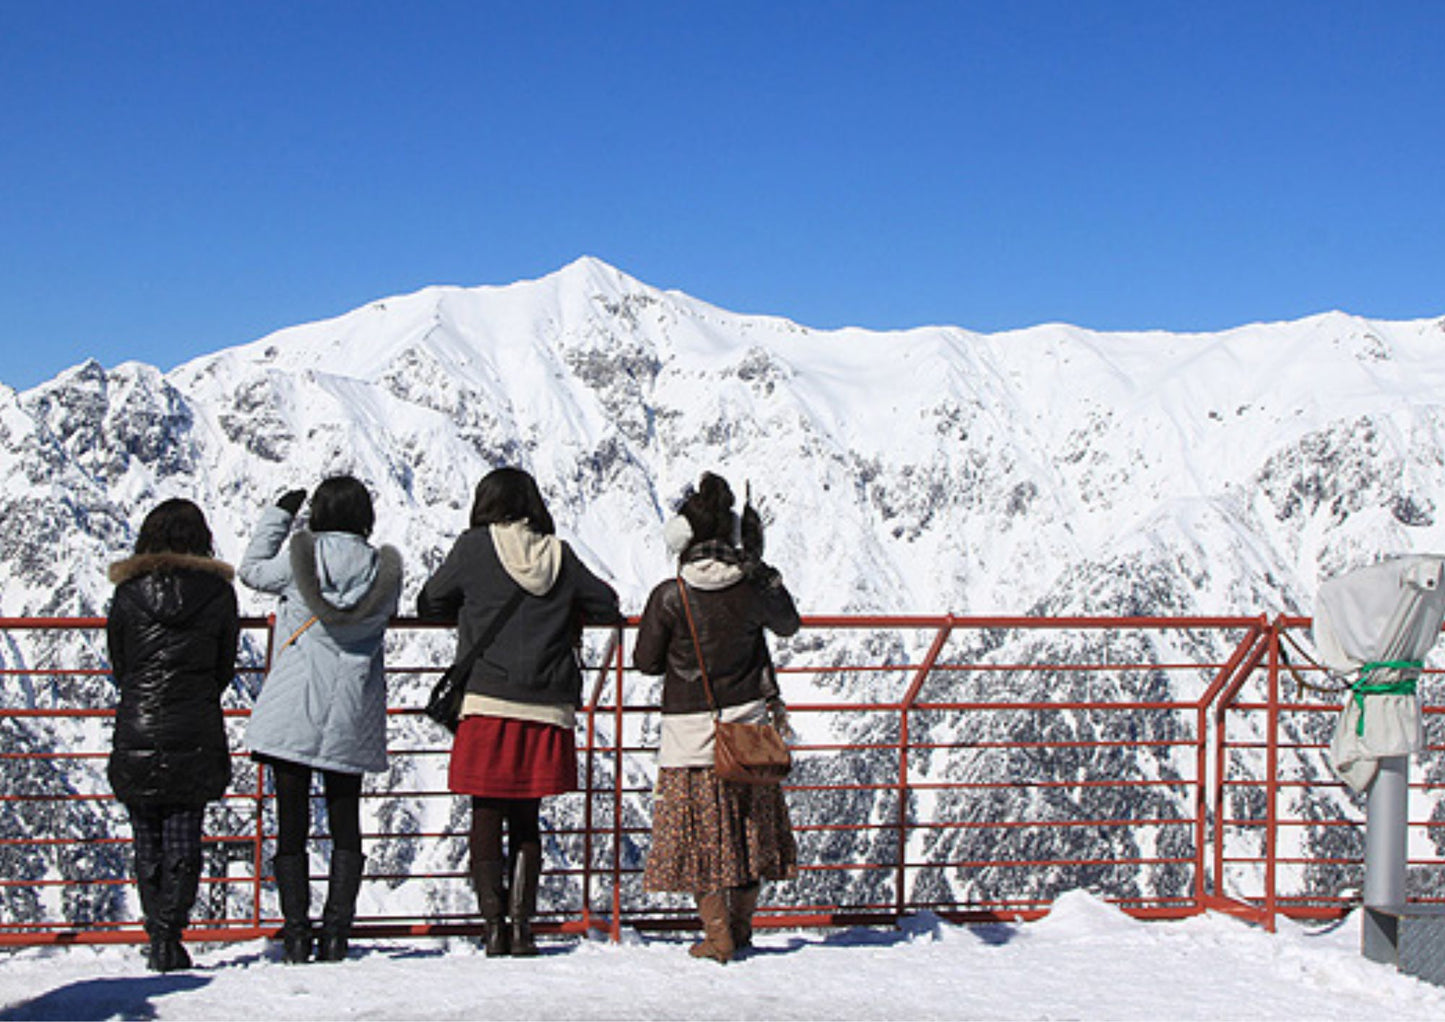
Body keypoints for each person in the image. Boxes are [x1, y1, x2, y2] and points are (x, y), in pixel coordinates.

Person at [418, 467, 622, 956]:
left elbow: (429, 602)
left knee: (485, 813)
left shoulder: (473, 549)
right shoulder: (560, 555)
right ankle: (523, 928)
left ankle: (493, 928)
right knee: (529, 819)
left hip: (487, 702)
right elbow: (607, 602)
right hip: (546, 707)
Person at [634, 472, 800, 963]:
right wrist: (764, 569)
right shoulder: (750, 587)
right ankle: (743, 928)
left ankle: (717, 934)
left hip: (688, 736)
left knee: (701, 836)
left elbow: (645, 661)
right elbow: (788, 624)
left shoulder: (671, 595)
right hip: (746, 730)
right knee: (749, 830)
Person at [239, 476, 402, 964]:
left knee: (291, 824)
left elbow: (250, 571)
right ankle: (337, 933)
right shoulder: (383, 572)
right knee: (345, 821)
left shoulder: (298, 560)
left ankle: (295, 933)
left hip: (295, 704)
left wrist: (279, 515)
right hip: (352, 706)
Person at [107, 498, 240, 972]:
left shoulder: (128, 593)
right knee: (185, 833)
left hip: (138, 723)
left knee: (146, 835)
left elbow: (121, 663)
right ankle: (170, 935)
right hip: (197, 724)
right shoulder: (218, 593)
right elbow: (224, 664)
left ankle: (153, 930)